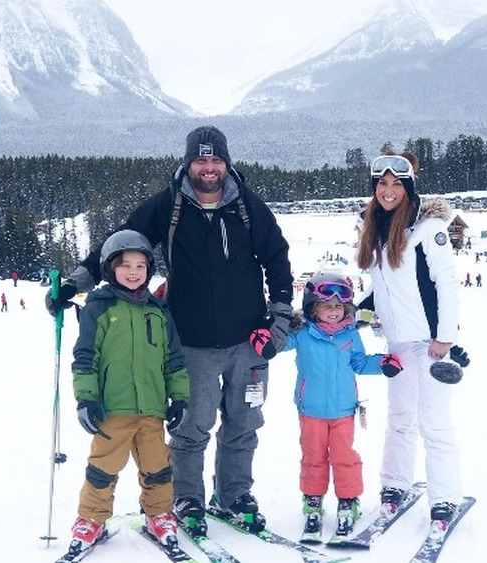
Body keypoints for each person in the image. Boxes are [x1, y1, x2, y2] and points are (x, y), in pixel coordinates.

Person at [47, 125, 293, 535]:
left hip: (248, 341)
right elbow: (118, 244)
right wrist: (75, 283)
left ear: (227, 163)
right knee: (191, 425)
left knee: (244, 423)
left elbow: (278, 259)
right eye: (201, 160)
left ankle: (234, 495)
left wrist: (279, 317)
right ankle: (188, 496)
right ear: (188, 163)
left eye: (216, 160)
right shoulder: (169, 206)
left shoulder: (248, 206)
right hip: (190, 339)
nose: (209, 168)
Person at [354, 151, 465, 532]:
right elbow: (381, 287)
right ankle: (394, 486)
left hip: (430, 341)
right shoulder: (373, 227)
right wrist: (360, 313)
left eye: (396, 184)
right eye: (382, 184)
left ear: (409, 187)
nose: (388, 191)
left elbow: (446, 284)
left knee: (433, 421)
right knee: (399, 419)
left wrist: (444, 337)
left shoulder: (427, 228)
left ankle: (444, 497)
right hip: (398, 341)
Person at [61, 230, 189, 558]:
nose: (133, 272)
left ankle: (159, 514)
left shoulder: (159, 310)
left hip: (151, 407)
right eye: (125, 265)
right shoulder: (99, 308)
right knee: (103, 467)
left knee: (157, 466)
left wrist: (179, 397)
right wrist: (86, 398)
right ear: (109, 268)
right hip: (112, 408)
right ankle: (92, 519)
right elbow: (85, 356)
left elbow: (173, 359)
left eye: (141, 266)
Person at [252, 272, 401, 536]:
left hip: (343, 410)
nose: (333, 311)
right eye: (326, 306)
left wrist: (382, 364)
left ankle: (348, 499)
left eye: (338, 306)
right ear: (313, 307)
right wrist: (265, 341)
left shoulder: (350, 335)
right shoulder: (303, 333)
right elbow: (280, 344)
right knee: (313, 458)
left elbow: (359, 362)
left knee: (344, 457)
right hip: (311, 410)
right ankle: (312, 500)